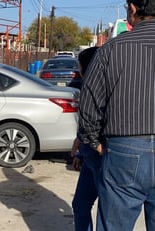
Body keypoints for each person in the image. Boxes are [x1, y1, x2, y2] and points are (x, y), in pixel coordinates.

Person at [78, 0, 155, 230]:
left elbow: (88, 106)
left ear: (132, 8)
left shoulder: (112, 49)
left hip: (125, 150)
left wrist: (95, 142)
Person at [69, 46, 101, 231]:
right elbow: (85, 122)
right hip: (89, 155)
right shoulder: (87, 87)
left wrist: (97, 147)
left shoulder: (104, 87)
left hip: (101, 156)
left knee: (107, 211)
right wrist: (81, 152)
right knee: (80, 204)